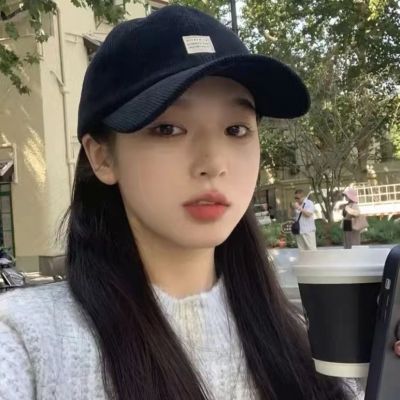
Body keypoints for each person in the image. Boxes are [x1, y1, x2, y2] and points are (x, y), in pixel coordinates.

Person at [0, 6, 358, 400]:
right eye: (168, 129)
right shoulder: (25, 341)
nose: (213, 163)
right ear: (102, 157)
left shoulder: (300, 338)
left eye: (236, 129)